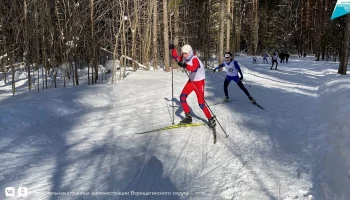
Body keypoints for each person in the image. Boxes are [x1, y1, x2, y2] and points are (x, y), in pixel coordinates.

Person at [169, 43, 216, 128]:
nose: (184, 55)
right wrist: (173, 50)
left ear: (190, 52)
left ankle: (211, 119)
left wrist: (185, 65)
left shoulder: (195, 59)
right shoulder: (184, 57)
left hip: (199, 83)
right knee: (182, 97)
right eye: (183, 53)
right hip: (191, 81)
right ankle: (188, 118)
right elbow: (176, 58)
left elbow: (194, 68)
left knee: (201, 103)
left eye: (186, 53)